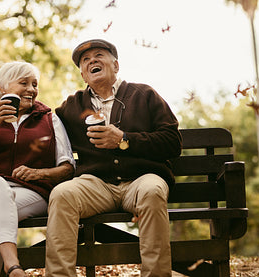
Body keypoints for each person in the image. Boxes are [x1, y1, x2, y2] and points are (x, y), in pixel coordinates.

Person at [46, 39, 182, 277]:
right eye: (85, 60)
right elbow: (43, 123)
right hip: (96, 185)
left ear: (116, 65)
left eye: (99, 55)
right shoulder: (72, 105)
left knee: (153, 191)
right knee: (62, 194)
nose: (92, 61)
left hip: (141, 180)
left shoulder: (145, 94)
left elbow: (172, 142)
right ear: (83, 75)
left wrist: (124, 139)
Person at [0, 61, 75, 277]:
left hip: (31, 193)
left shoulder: (51, 120)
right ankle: (13, 265)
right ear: (4, 88)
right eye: (24, 83)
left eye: (34, 84)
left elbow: (67, 168)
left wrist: (38, 174)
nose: (31, 89)